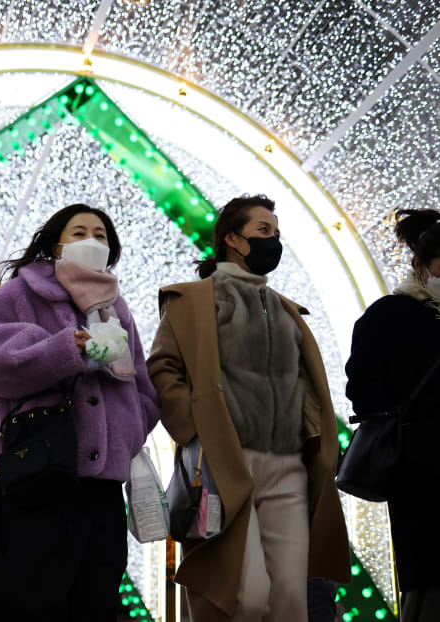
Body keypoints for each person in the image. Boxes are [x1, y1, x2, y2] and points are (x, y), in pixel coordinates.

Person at [146, 194, 351, 621]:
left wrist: (317, 444)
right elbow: (164, 369)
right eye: (263, 231)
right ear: (233, 240)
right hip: (225, 464)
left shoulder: (286, 310)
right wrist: (195, 430)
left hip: (288, 464)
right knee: (245, 594)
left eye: (275, 233)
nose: (273, 241)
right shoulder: (192, 302)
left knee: (291, 599)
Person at [0, 203, 160, 622]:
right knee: (28, 599)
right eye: (79, 233)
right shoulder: (20, 294)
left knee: (95, 600)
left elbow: (140, 383)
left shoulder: (117, 307)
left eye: (101, 235)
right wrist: (69, 348)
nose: (91, 240)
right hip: (40, 472)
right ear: (56, 244)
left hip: (102, 487)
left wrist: (130, 429)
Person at [345, 208, 440, 622]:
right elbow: (361, 387)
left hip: (418, 473)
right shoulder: (389, 315)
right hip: (423, 479)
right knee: (429, 585)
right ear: (420, 265)